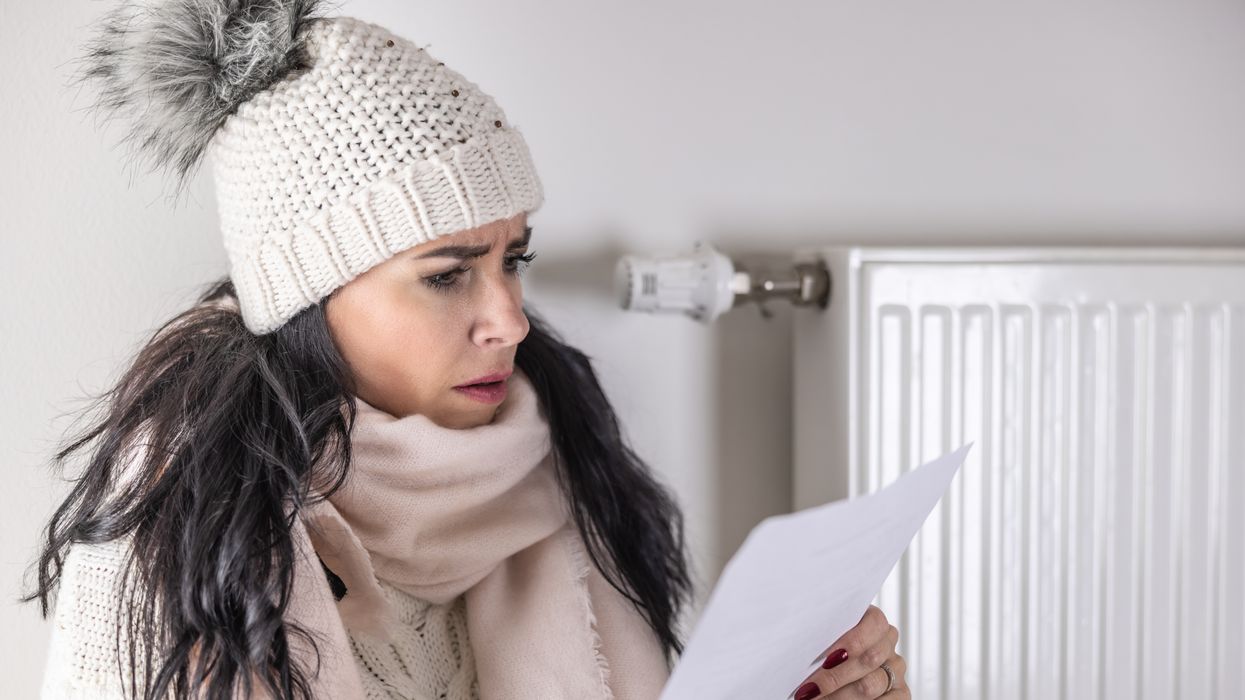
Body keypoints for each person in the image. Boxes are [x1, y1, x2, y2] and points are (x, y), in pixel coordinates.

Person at [20, 1, 911, 698]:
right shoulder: (177, 538)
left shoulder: (555, 470)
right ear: (309, 300)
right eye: (447, 274)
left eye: (512, 261)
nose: (511, 321)